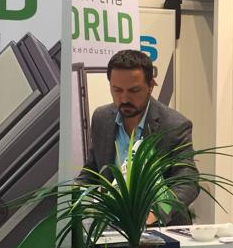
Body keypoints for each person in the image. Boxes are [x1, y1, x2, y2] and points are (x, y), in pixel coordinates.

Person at [83, 49, 199, 225]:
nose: (124, 99)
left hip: (161, 228)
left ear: (151, 86)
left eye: (134, 90)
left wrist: (156, 212)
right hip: (112, 226)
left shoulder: (174, 125)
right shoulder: (101, 118)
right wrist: (76, 195)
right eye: (117, 90)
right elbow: (92, 170)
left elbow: (188, 181)